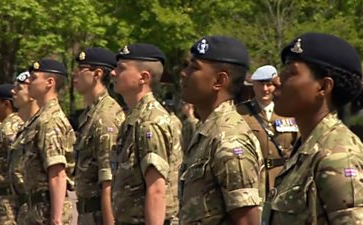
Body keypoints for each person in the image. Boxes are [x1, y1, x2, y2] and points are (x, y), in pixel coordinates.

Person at [262, 32, 363, 224]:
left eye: (291, 72)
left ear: (323, 87)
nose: (277, 81)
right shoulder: (307, 147)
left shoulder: (338, 156)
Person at [179, 36, 263, 225]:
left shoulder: (229, 139)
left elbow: (247, 220)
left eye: (194, 67)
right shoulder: (208, 130)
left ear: (219, 80)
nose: (184, 73)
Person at [110, 43, 182, 225]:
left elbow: (157, 189)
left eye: (122, 68)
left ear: (144, 77)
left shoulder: (150, 121)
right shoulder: (134, 118)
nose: (113, 73)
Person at [73, 47, 124, 225]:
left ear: (98, 74)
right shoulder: (90, 113)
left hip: (100, 215)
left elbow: (108, 178)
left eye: (81, 69)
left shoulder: (105, 116)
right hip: (88, 213)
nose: (75, 75)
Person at [23, 59, 75, 225]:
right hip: (36, 209)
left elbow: (58, 173)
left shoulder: (50, 120)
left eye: (33, 77)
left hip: (46, 211)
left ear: (49, 82)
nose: (28, 81)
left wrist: (56, 219)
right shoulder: (40, 118)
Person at [237, 65, 299, 196]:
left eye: (269, 84)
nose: (265, 89)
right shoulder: (240, 113)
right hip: (253, 178)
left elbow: (300, 144)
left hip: (283, 178)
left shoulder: (289, 111)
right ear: (253, 85)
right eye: (260, 84)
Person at [0, 84, 23, 225]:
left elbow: (19, 166)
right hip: (2, 198)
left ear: (6, 104)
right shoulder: (4, 126)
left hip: (9, 200)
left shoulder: (12, 127)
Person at [8, 71, 39, 224]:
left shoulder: (44, 125)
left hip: (40, 210)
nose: (13, 91)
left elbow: (57, 176)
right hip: (23, 207)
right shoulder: (25, 127)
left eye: (18, 88)